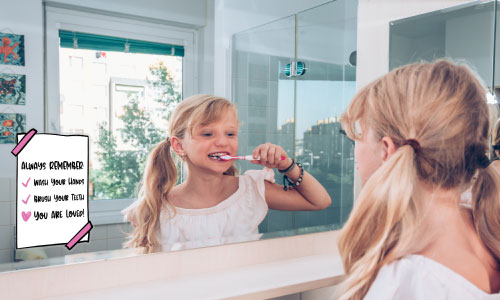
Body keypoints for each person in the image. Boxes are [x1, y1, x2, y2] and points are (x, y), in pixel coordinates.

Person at [336, 60, 500, 299]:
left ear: (387, 151)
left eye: (360, 134)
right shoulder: (487, 232)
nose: (355, 149)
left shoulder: (406, 281)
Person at [123, 94, 331, 253]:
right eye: (207, 133)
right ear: (179, 146)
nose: (223, 142)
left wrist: (287, 165)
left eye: (230, 133)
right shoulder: (154, 207)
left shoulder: (250, 190)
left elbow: (319, 202)